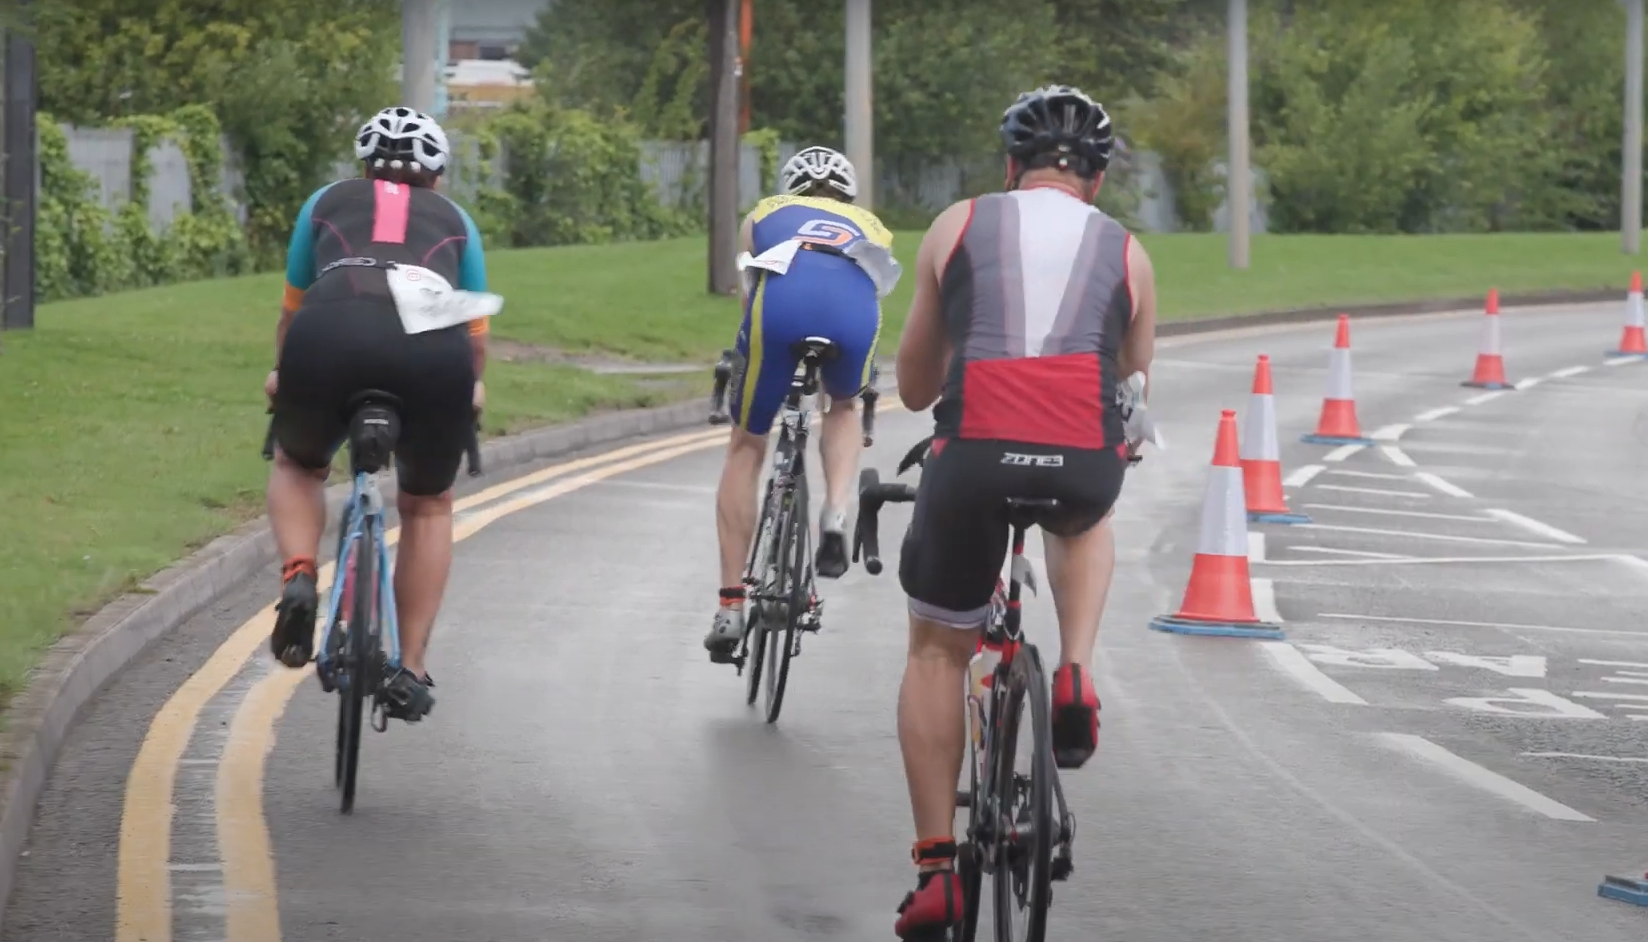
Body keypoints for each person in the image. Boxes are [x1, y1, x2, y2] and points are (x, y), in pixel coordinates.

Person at [887, 85, 1158, 938]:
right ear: (1100, 181)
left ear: (1009, 167)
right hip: (1079, 458)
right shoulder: (1129, 252)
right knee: (1085, 513)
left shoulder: (958, 224)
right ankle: (1074, 667)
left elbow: (915, 387)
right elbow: (1133, 397)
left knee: (937, 648)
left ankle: (937, 871)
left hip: (970, 456)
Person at [264, 106, 490, 722]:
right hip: (430, 348)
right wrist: (472, 387)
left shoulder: (323, 202)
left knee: (298, 462)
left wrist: (284, 375)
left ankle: (301, 572)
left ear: (362, 166)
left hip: (328, 332)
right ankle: (409, 668)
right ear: (437, 175)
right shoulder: (457, 220)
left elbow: (292, 311)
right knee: (428, 503)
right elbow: (473, 335)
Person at [703, 145, 901, 662]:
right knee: (842, 407)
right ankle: (835, 514)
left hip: (781, 309)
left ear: (792, 186)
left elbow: (751, 295)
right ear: (847, 192)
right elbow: (875, 288)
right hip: (852, 316)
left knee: (746, 444)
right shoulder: (872, 224)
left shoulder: (766, 213)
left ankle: (730, 604)